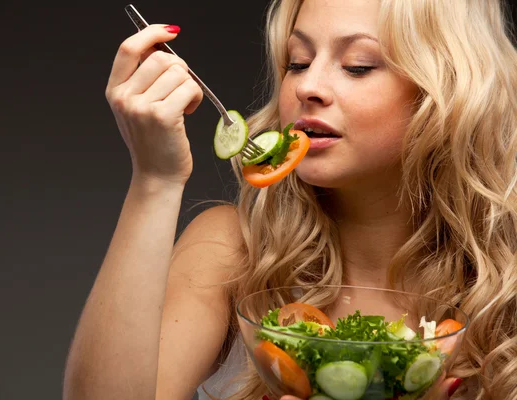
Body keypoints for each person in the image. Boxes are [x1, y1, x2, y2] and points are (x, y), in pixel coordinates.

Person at [62, 0, 517, 399]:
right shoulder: (231, 251)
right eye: (298, 62)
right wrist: (155, 179)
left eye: (358, 65)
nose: (306, 86)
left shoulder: (505, 280)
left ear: (452, 93)